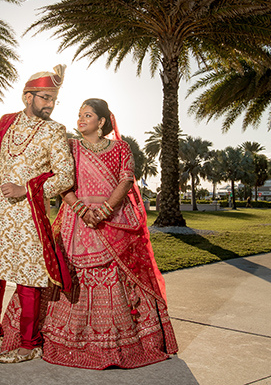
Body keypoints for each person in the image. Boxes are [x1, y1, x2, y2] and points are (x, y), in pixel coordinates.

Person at [41, 98, 178, 369]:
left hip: (115, 222)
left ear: (102, 122)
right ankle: (68, 340)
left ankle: (128, 342)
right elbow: (60, 180)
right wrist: (81, 209)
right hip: (77, 220)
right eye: (79, 115)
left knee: (119, 277)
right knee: (74, 275)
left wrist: (103, 211)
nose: (80, 120)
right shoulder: (69, 147)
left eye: (88, 116)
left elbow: (126, 179)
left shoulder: (121, 148)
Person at [0, 65, 75, 364]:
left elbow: (65, 176)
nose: (49, 104)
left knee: (29, 279)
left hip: (29, 217)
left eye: (54, 99)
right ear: (27, 97)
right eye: (45, 97)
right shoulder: (6, 122)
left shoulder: (54, 131)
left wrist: (27, 188)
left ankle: (29, 344)